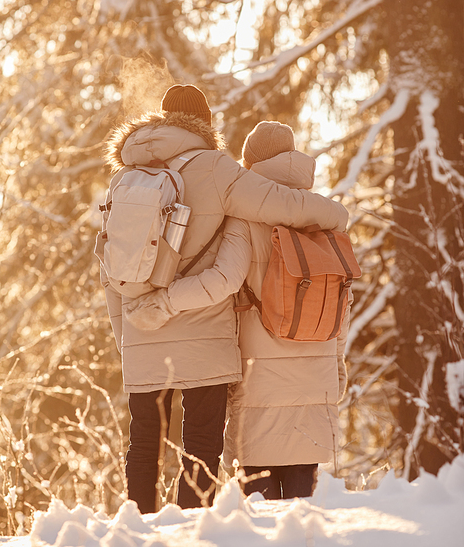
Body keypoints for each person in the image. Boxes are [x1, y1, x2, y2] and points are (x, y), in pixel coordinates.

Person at [101, 88, 348, 513]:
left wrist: (128, 333)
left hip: (141, 329)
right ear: (204, 124)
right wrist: (336, 216)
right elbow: (281, 203)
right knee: (200, 446)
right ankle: (193, 528)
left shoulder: (126, 177)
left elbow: (109, 267)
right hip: (204, 336)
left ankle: (136, 530)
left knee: (143, 442)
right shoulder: (216, 169)